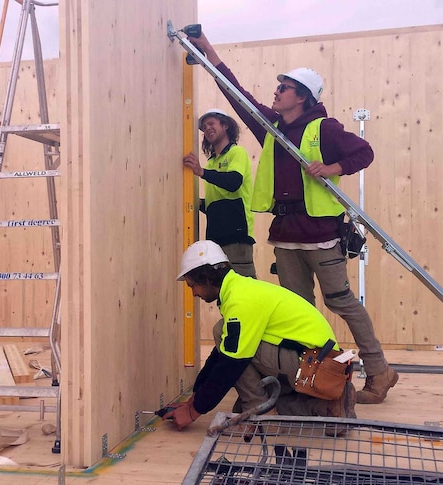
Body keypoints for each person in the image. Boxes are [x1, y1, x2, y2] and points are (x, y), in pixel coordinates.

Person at [186, 32, 398, 405]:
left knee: (341, 301)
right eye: (278, 87)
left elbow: (364, 152)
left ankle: (380, 372)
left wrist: (332, 166)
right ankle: (309, 381)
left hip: (320, 233)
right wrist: (210, 52)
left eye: (284, 88)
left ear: (302, 96)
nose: (277, 92)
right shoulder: (272, 127)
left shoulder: (323, 128)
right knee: (298, 310)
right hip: (285, 234)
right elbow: (240, 98)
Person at [163, 240, 356, 432]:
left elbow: (229, 363)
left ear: (205, 278)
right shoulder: (240, 289)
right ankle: (328, 409)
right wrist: (193, 401)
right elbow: (219, 356)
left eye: (192, 286)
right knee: (240, 404)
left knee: (237, 356)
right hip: (315, 362)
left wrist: (193, 412)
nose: (194, 293)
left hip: (320, 367)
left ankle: (261, 418)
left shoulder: (240, 300)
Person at [183, 109, 256, 278]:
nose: (207, 129)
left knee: (245, 288)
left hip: (237, 235)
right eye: (204, 127)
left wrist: (201, 172)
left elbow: (233, 182)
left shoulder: (236, 153)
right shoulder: (211, 163)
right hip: (217, 237)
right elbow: (215, 204)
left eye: (211, 124)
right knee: (224, 289)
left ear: (225, 125)